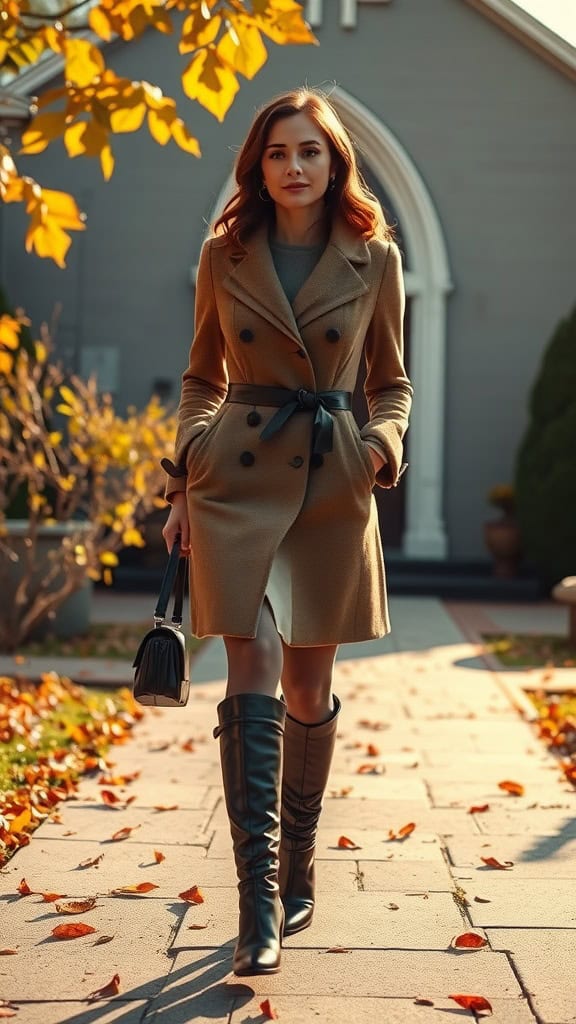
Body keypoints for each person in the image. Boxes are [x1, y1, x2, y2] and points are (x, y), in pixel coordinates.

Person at [162, 87, 412, 976]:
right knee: (254, 663)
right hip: (236, 478)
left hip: (334, 485)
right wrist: (185, 472)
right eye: (277, 153)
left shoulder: (373, 258)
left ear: (333, 161)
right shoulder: (223, 254)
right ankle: (256, 902)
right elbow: (200, 376)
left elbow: (391, 383)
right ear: (257, 167)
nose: (294, 166)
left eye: (309, 151)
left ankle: (298, 863)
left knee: (308, 688)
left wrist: (378, 450)